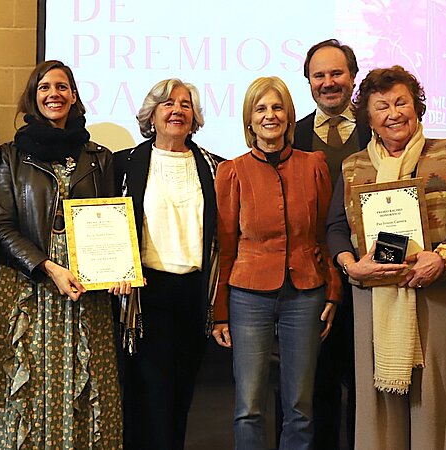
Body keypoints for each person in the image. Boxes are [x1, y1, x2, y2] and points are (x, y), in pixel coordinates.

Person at [326, 66, 446, 450]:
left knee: (431, 393)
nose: (393, 113)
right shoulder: (353, 166)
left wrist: (443, 257)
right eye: (382, 106)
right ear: (369, 117)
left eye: (401, 102)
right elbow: (334, 227)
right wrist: (351, 265)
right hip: (371, 291)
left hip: (433, 286)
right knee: (376, 394)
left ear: (417, 108)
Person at [0, 60, 122, 449]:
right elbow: (1, 224)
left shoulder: (99, 157)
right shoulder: (11, 155)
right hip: (29, 285)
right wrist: (47, 267)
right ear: (34, 97)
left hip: (85, 288)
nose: (53, 94)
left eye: (62, 87)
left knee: (87, 382)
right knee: (26, 389)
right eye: (44, 87)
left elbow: (109, 220)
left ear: (74, 96)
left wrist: (118, 265)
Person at [211, 76, 341, 450]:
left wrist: (333, 292)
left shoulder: (313, 165)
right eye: (261, 108)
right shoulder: (232, 171)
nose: (270, 115)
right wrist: (221, 312)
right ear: (249, 120)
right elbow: (227, 247)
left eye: (278, 107)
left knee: (299, 405)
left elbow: (323, 236)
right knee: (249, 405)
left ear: (289, 116)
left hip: (306, 295)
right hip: (248, 296)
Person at [113, 78, 224, 450]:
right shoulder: (124, 164)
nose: (177, 110)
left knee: (182, 398)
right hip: (146, 297)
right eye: (167, 104)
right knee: (150, 398)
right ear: (151, 115)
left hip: (194, 296)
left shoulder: (215, 167)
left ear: (194, 118)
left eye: (185, 104)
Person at [294, 38, 370, 449]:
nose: (328, 83)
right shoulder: (291, 133)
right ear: (308, 81)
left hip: (373, 275)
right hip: (312, 280)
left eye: (336, 73)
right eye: (318, 75)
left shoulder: (379, 126)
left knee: (368, 384)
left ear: (353, 78)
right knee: (317, 386)